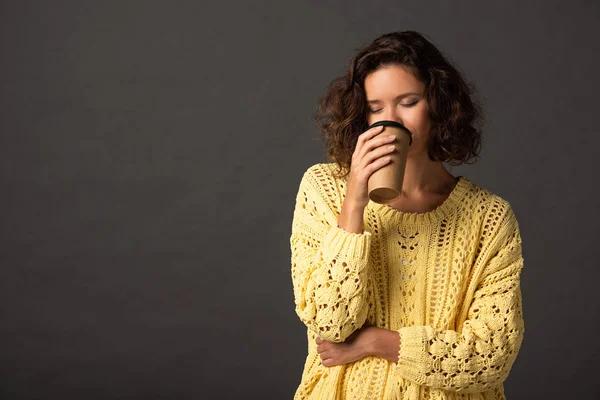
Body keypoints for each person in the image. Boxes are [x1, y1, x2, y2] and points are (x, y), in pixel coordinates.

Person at [289, 30, 525, 400]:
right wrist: (354, 203)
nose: (390, 120)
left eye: (408, 102)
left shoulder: (488, 217)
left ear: (439, 105)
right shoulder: (324, 189)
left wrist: (377, 342)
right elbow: (329, 324)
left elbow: (491, 359)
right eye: (375, 107)